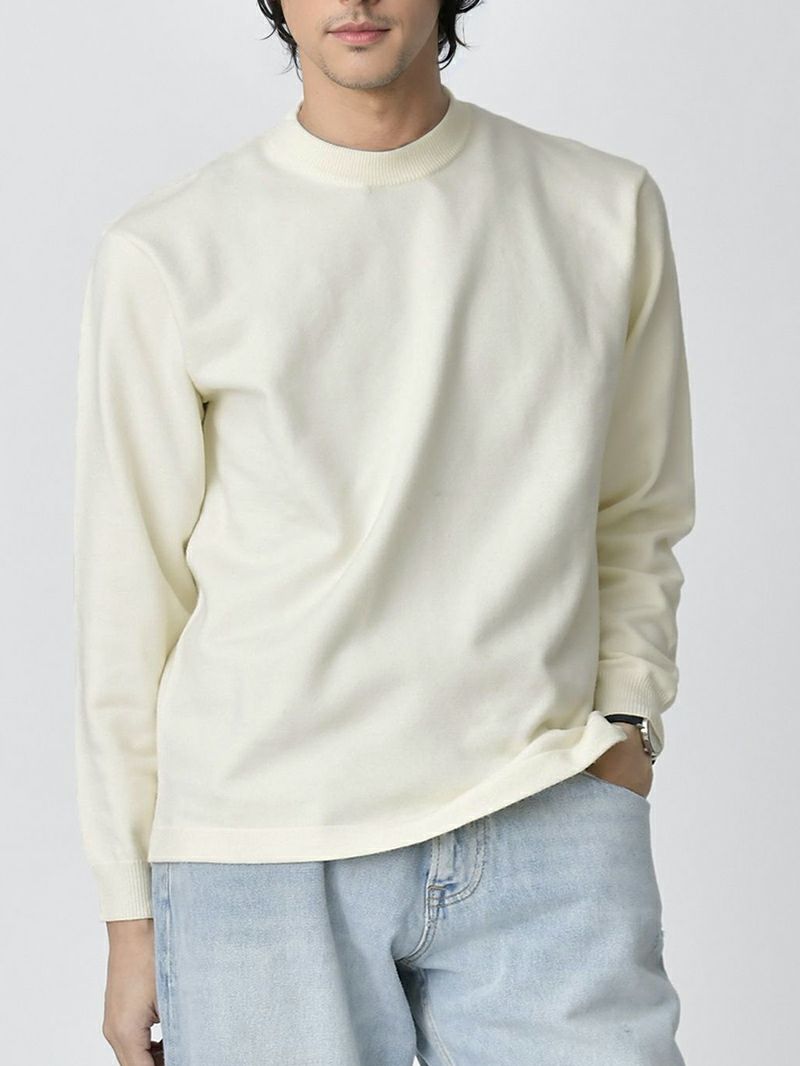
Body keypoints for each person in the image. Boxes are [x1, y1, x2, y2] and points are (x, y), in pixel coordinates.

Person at [73, 1, 696, 1063]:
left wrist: (627, 722)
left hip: (542, 805)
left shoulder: (600, 206)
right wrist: (129, 911)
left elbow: (636, 504)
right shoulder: (170, 247)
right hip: (260, 848)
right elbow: (128, 594)